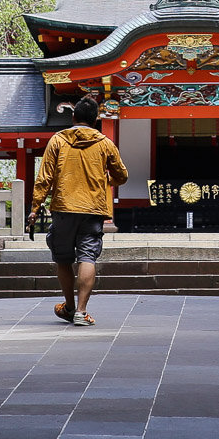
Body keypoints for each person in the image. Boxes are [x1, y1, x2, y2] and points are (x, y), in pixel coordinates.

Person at [28, 96, 129, 326]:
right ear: (95, 120)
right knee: (87, 256)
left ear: (73, 118)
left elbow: (44, 178)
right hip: (92, 209)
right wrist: (107, 179)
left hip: (63, 207)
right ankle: (82, 312)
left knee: (63, 258)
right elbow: (122, 176)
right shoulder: (105, 143)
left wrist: (35, 208)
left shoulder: (58, 140)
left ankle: (69, 306)